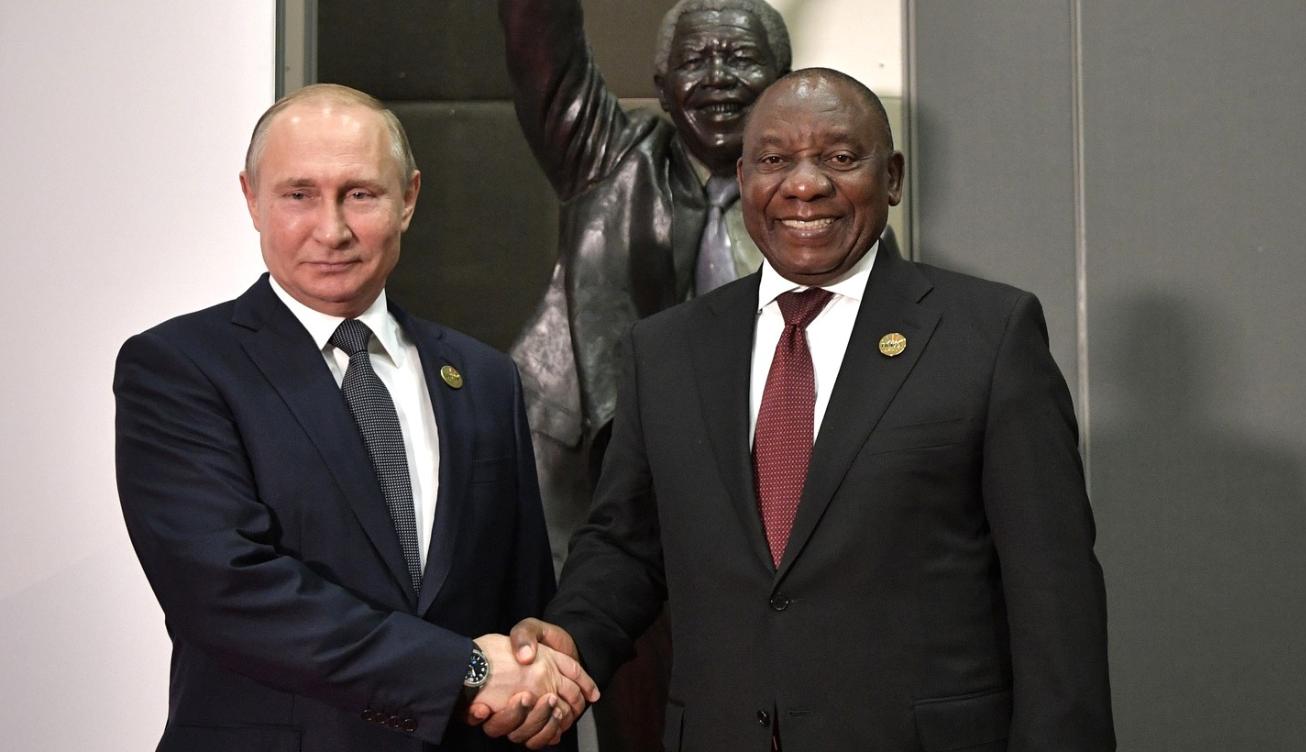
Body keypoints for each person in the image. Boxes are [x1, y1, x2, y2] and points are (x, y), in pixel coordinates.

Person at [495, 69, 1116, 750]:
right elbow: (626, 544)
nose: (805, 185)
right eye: (774, 160)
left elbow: (1054, 594)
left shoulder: (988, 336)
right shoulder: (666, 350)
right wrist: (571, 635)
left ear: (892, 177)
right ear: (744, 179)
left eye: (840, 157)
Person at [114, 83, 597, 752]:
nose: (332, 229)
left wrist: (532, 684)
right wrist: (462, 670)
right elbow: (224, 589)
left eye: (361, 194)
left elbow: (522, 602)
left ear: (409, 199)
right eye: (298, 194)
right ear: (252, 199)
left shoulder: (484, 378)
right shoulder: (179, 368)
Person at [498, 0, 792, 572]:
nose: (717, 77)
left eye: (740, 58)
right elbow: (539, 35)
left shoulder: (818, 203)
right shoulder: (606, 156)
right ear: (662, 86)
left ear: (782, 80)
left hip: (762, 496)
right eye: (695, 60)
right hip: (597, 477)